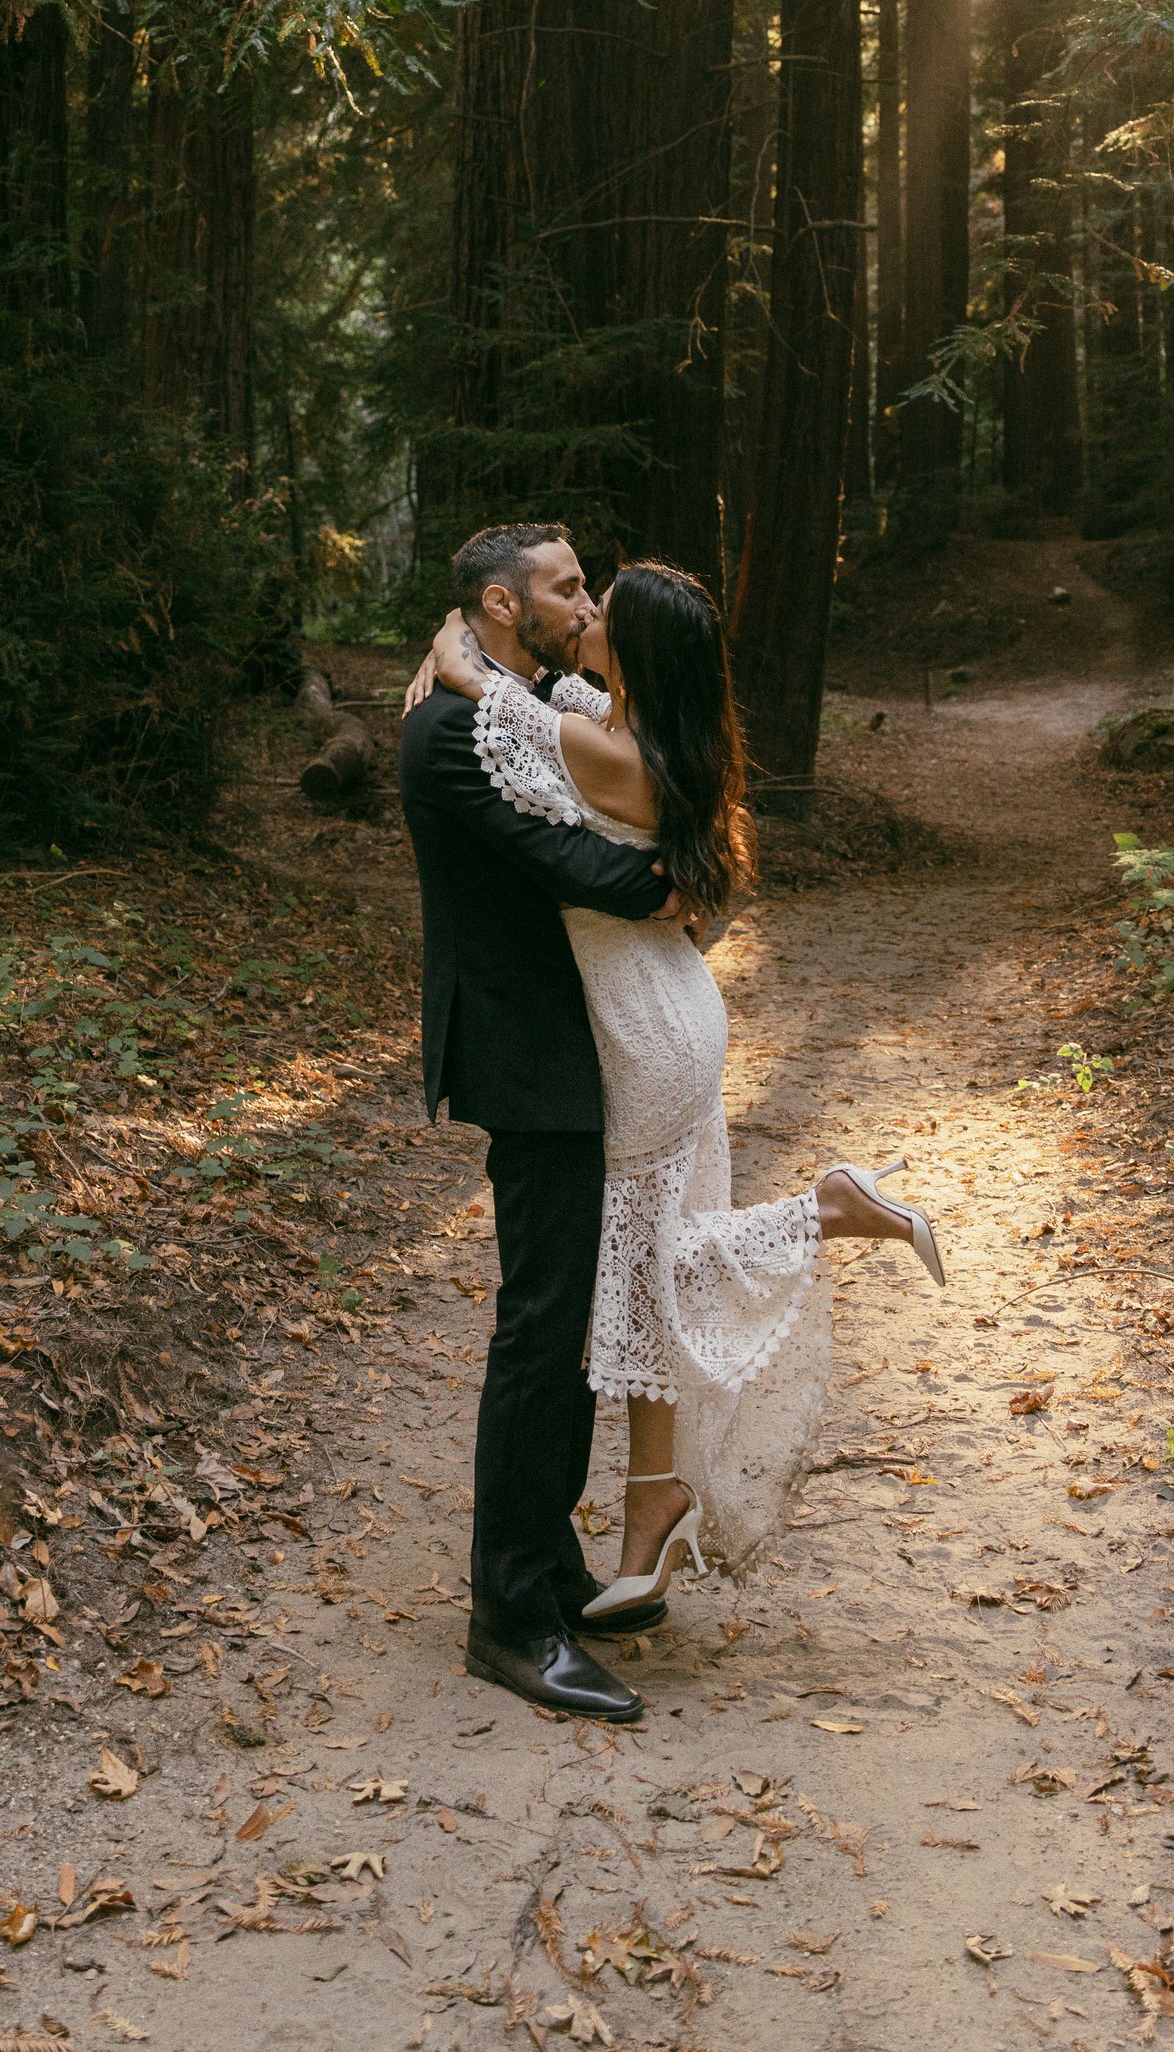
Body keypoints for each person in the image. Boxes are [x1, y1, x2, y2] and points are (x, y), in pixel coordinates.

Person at [407, 547, 944, 1646]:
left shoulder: (585, 741)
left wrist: (453, 652)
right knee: (641, 1266)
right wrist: (463, 645)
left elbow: (495, 706)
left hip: (645, 1034)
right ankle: (645, 1508)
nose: (586, 608)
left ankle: (819, 1217)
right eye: (573, 591)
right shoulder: (614, 720)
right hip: (666, 1016)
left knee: (632, 1274)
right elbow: (527, 701)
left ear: (634, 653)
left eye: (597, 602)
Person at [399, 523, 690, 1726]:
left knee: (570, 1322)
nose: (586, 602)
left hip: (576, 1049)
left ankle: (552, 1567)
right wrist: (688, 871)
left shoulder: (517, 693)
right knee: (542, 1329)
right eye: (568, 587)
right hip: (528, 1053)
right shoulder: (450, 729)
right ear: (504, 603)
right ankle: (508, 1618)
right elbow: (576, 866)